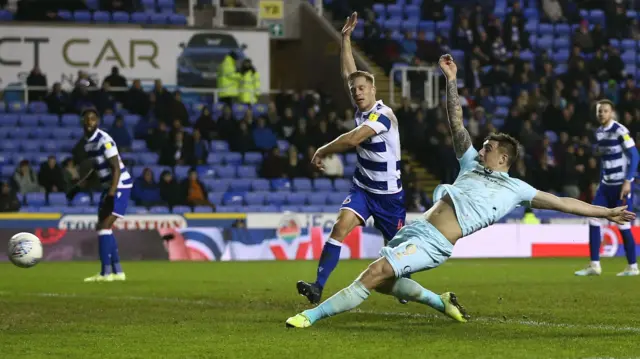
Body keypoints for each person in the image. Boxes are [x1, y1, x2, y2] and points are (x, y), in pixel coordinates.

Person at [285, 54, 636, 329]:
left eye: (486, 147)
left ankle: (313, 315)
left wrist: (606, 212)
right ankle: (442, 302)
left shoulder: (516, 189)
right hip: (417, 228)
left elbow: (562, 203)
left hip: (435, 243)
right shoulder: (471, 163)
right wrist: (451, 81)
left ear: (503, 157)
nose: (479, 148)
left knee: (373, 274)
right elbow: (456, 122)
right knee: (387, 284)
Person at [296, 12, 407, 305]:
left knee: (395, 253)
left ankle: (405, 287)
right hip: (363, 189)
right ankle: (318, 286)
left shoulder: (383, 116)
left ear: (374, 90)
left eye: (362, 88)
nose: (357, 92)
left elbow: (354, 139)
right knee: (339, 228)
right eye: (354, 90)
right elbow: (349, 73)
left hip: (389, 196)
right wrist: (345, 38)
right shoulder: (362, 108)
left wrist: (322, 149)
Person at [575, 99, 640, 277]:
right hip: (606, 185)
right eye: (599, 111)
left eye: (605, 111)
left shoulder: (620, 131)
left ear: (611, 113)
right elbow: (605, 161)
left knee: (623, 225)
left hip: (621, 185)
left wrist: (628, 180)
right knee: (594, 220)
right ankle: (594, 265)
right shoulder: (599, 133)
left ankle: (633, 266)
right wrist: (601, 180)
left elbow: (635, 156)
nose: (602, 114)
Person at [72, 108, 134, 282]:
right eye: (86, 119)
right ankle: (118, 272)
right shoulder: (87, 142)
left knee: (104, 226)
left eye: (92, 119)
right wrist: (79, 186)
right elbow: (97, 168)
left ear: (97, 121)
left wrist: (112, 193)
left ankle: (105, 273)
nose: (89, 122)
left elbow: (115, 167)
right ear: (82, 122)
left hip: (120, 185)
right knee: (103, 226)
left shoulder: (104, 140)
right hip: (109, 187)